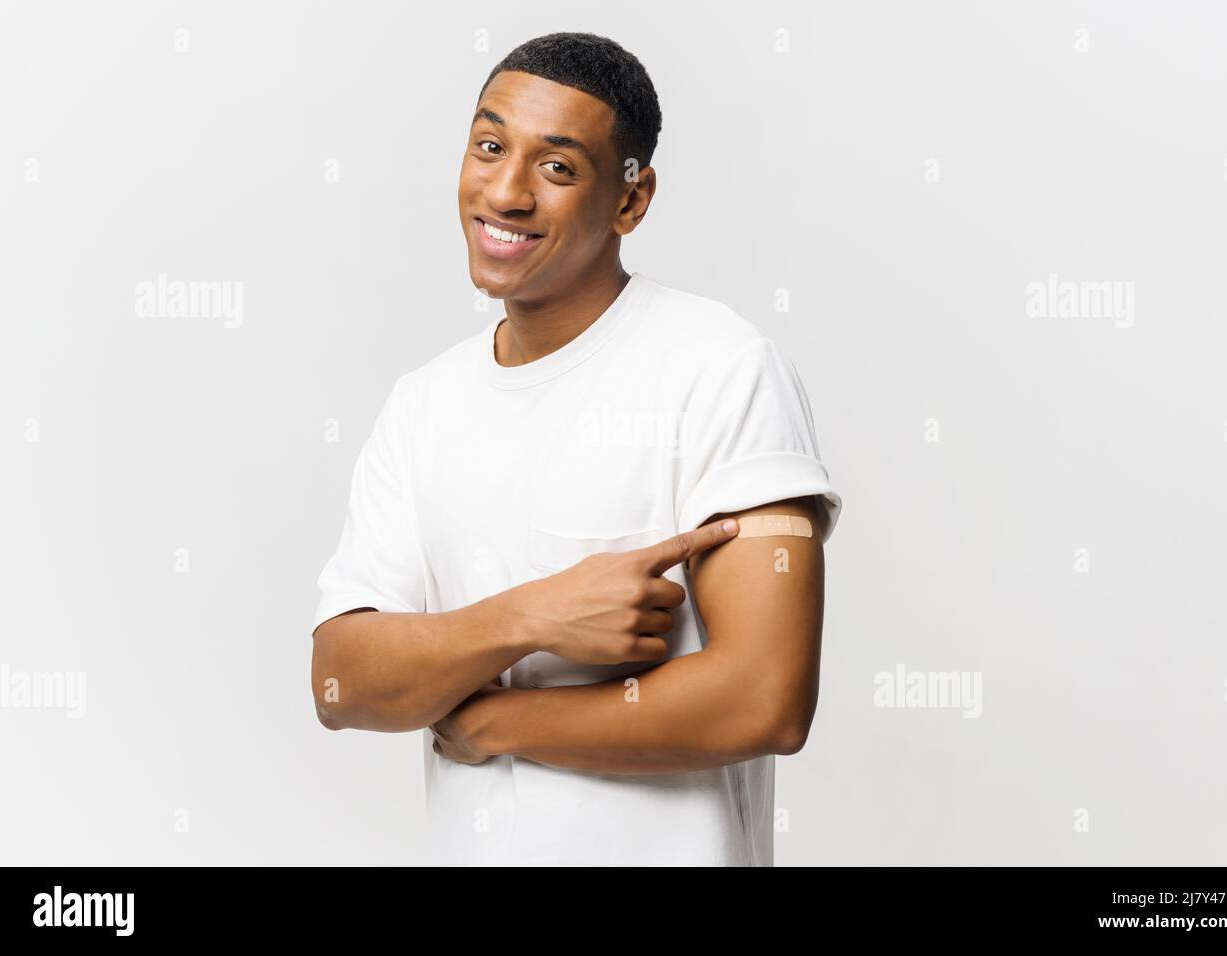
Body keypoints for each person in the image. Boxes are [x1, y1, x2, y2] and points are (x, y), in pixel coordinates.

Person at [310, 31, 841, 866]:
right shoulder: (422, 406)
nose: (507, 192)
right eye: (490, 147)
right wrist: (533, 616)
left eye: (558, 168)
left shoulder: (721, 369)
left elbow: (765, 699)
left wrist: (501, 722)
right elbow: (342, 680)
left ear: (631, 201)